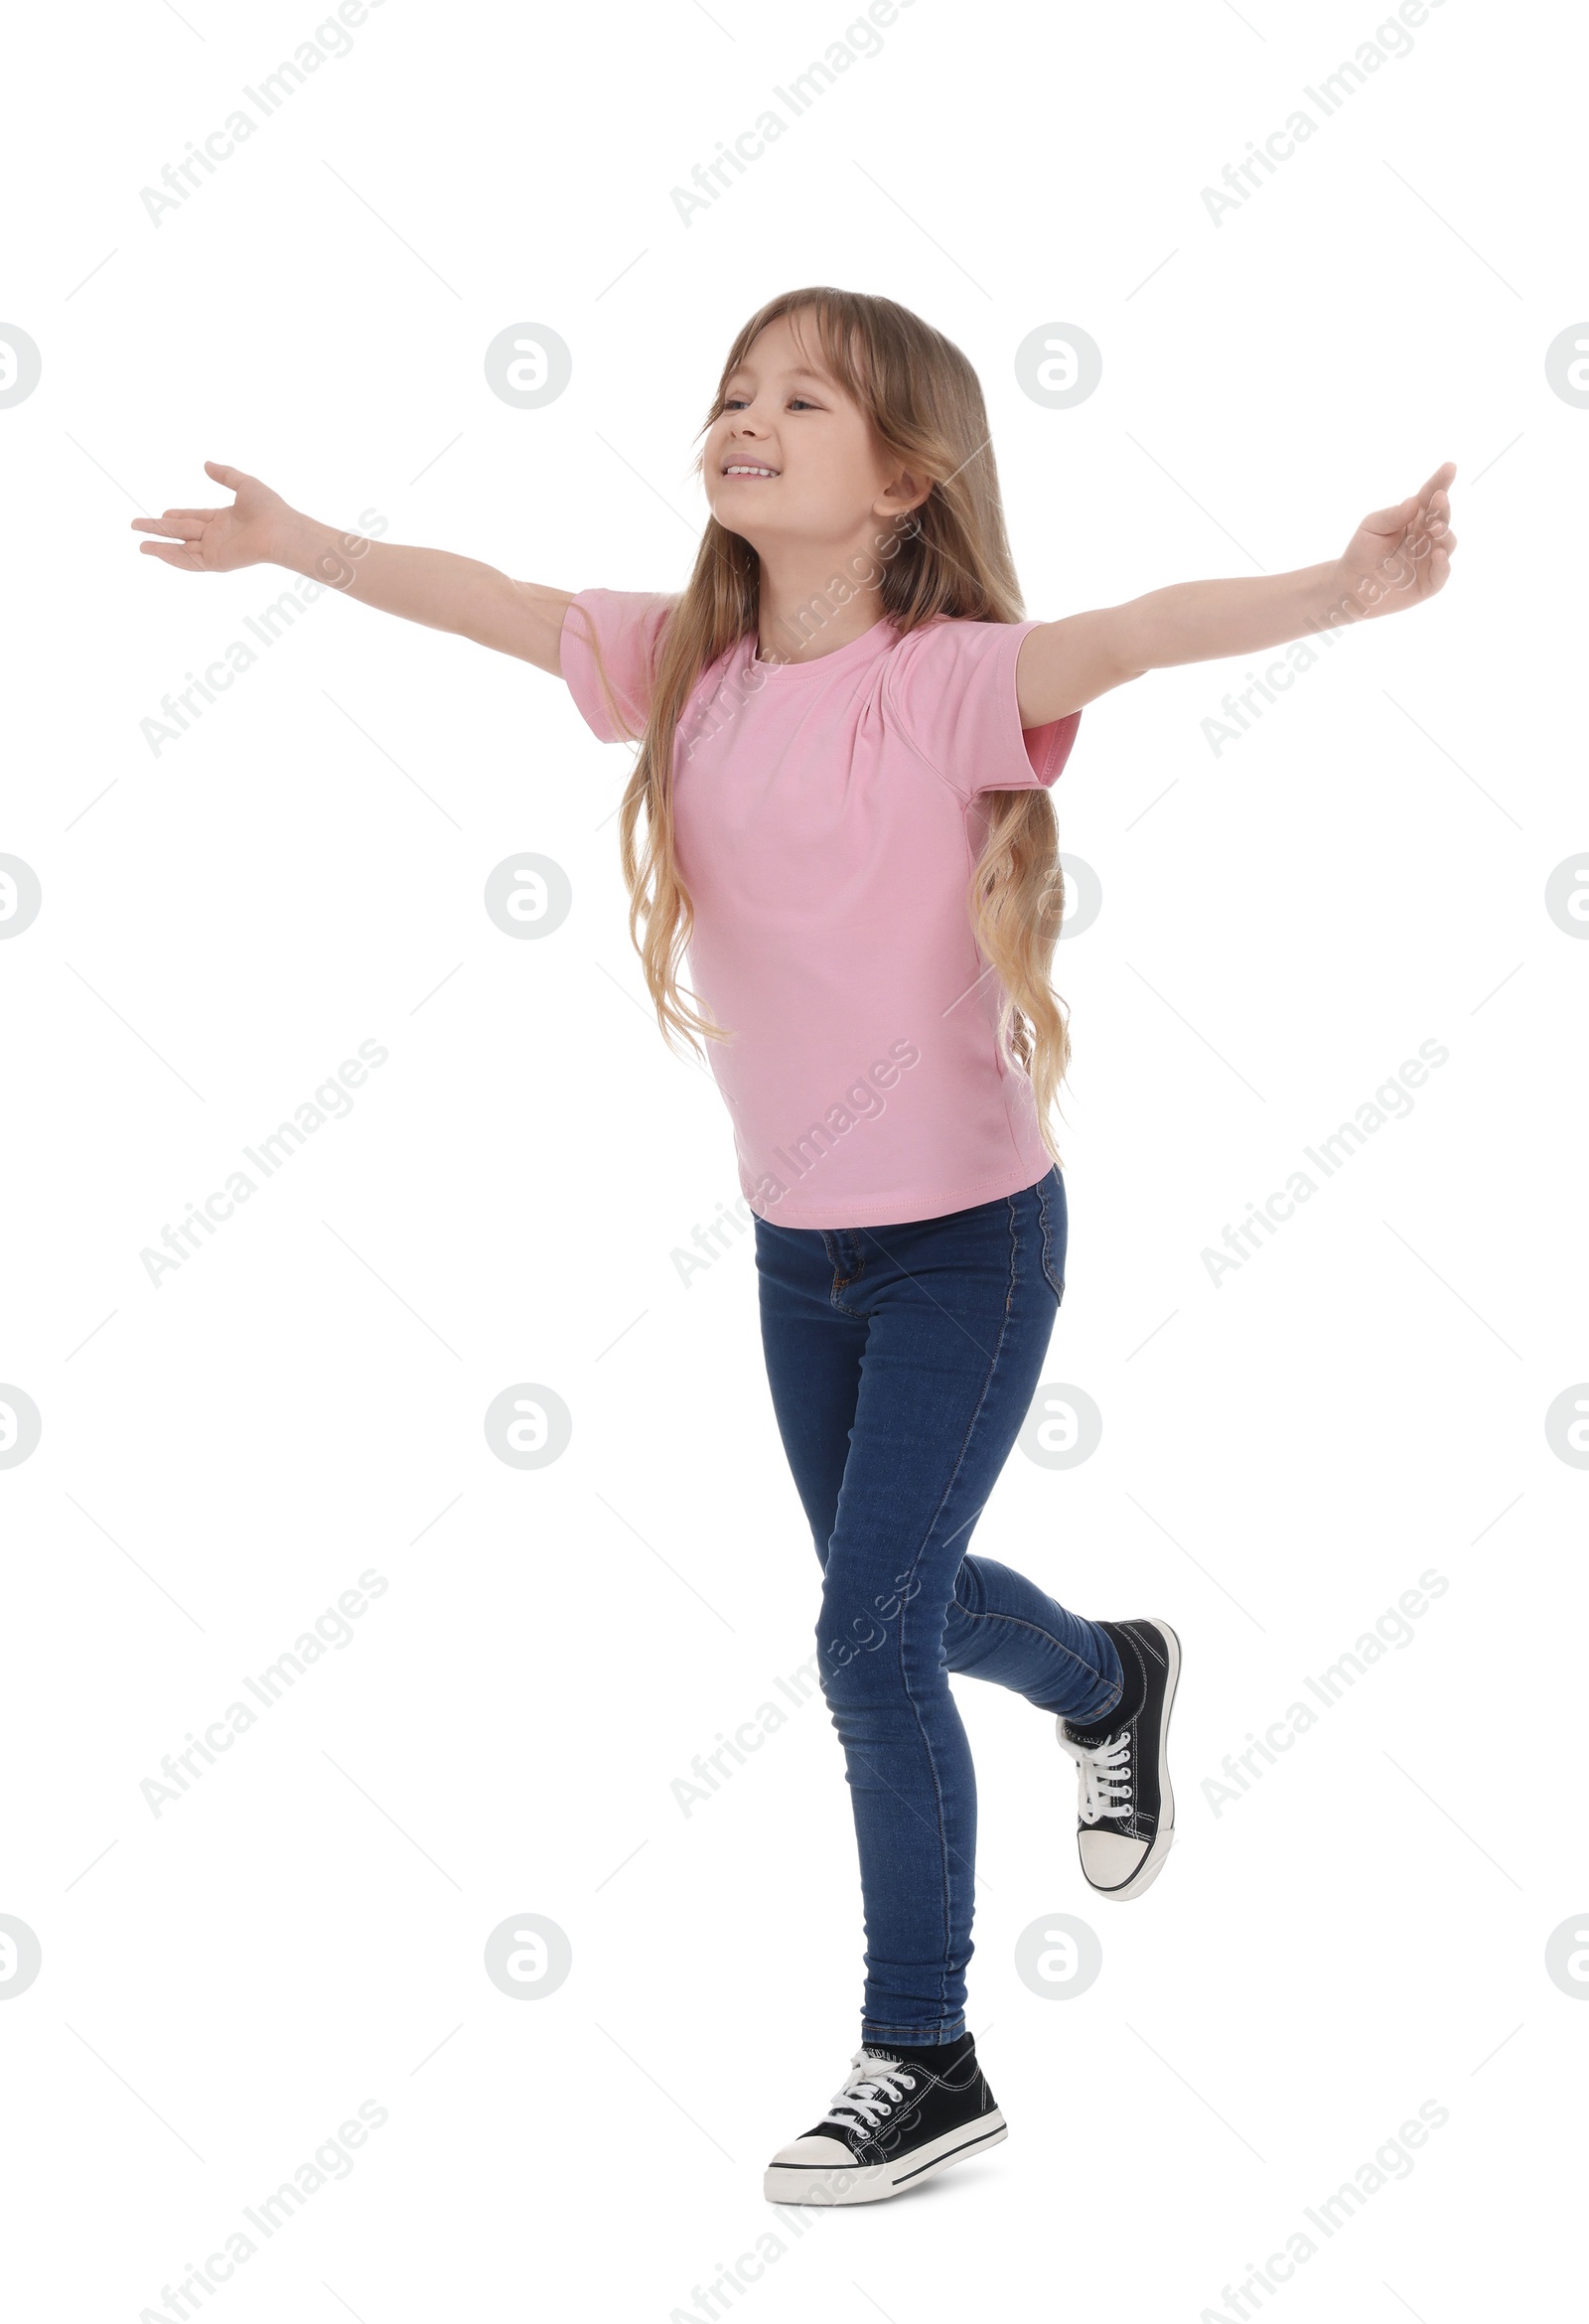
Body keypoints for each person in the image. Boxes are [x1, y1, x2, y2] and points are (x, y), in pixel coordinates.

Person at [132, 285, 1457, 2208]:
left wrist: (1341, 589)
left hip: (965, 1247)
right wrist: (298, 542)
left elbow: (1143, 633)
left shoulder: (944, 677)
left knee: (860, 1631)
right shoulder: (684, 663)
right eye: (732, 393)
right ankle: (1104, 1679)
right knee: (889, 1595)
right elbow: (489, 597)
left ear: (900, 478)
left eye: (799, 400)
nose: (743, 418)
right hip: (794, 1248)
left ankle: (920, 2056)